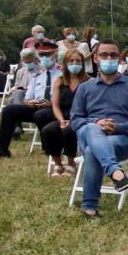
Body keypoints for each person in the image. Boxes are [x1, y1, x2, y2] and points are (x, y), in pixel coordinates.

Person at [68, 40, 128, 218]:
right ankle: (115, 171)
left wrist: (117, 127)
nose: (108, 58)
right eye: (104, 55)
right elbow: (75, 120)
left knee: (92, 150)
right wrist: (97, 123)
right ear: (96, 59)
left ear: (119, 58)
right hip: (87, 135)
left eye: (113, 55)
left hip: (120, 140)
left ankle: (90, 206)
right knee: (91, 128)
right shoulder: (85, 88)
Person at [0, 47, 57, 160]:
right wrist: (29, 102)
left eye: (48, 56)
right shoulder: (38, 75)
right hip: (36, 106)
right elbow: (27, 97)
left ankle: (49, 149)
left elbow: (66, 98)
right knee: (8, 110)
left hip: (53, 108)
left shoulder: (61, 74)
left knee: (40, 115)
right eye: (43, 56)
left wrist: (51, 103)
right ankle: (3, 149)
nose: (45, 58)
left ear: (54, 57)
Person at [44, 48, 88, 176]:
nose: (75, 64)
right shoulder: (59, 80)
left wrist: (73, 121)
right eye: (71, 61)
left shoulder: (89, 82)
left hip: (81, 119)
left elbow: (90, 107)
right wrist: (61, 120)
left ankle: (70, 164)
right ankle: (58, 164)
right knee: (48, 130)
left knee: (70, 131)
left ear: (83, 64)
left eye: (78, 61)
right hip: (62, 117)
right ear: (65, 63)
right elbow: (55, 105)